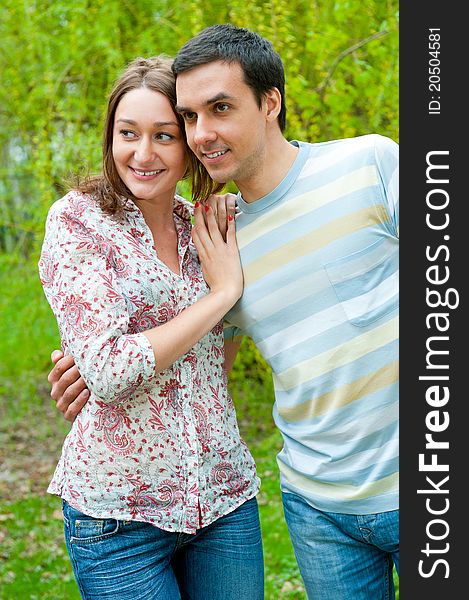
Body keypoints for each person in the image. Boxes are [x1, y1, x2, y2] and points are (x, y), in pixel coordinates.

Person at [49, 25, 399, 599]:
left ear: (270, 102)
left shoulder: (358, 169)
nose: (199, 133)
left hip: (393, 489)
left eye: (215, 111)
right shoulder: (183, 230)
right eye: (189, 118)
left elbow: (215, 360)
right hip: (301, 507)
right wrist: (91, 365)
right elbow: (178, 358)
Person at [38, 54, 264, 600]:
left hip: (223, 499)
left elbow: (218, 360)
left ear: (190, 143)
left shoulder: (206, 227)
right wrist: (221, 295)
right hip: (119, 517)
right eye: (127, 133)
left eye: (164, 135)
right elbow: (112, 370)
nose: (143, 154)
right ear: (109, 136)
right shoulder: (78, 221)